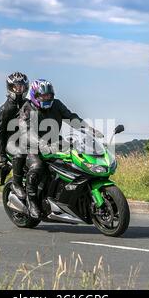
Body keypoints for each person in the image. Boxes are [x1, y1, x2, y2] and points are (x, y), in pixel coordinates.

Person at [18, 79, 102, 219]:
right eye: (43, 96)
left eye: (49, 95)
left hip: (54, 143)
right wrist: (41, 143)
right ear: (34, 95)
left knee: (75, 160)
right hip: (31, 146)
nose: (47, 98)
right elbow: (26, 132)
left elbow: (70, 117)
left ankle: (68, 198)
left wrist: (88, 128)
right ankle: (31, 201)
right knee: (38, 167)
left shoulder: (56, 104)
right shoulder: (28, 108)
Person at [0, 72, 29, 200]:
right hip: (12, 142)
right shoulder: (5, 109)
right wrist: (3, 156)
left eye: (22, 86)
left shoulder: (28, 104)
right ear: (10, 88)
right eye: (16, 87)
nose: (19, 89)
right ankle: (17, 184)